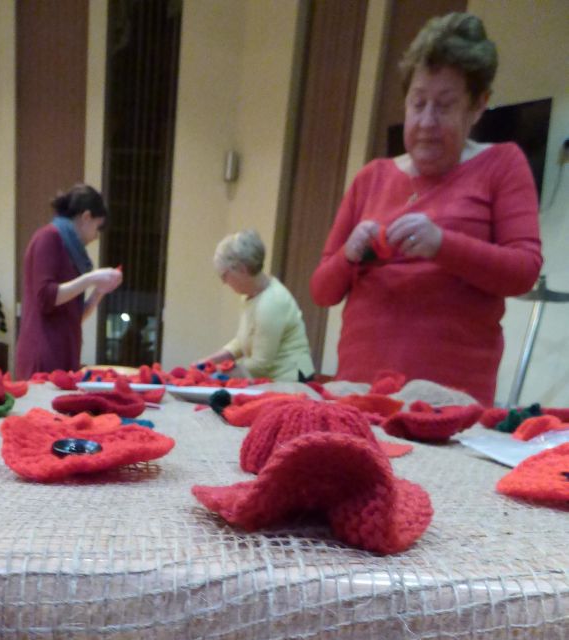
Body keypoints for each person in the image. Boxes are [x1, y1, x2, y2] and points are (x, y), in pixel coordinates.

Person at [310, 13, 541, 406]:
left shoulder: (502, 164)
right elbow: (321, 291)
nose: (427, 121)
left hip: (449, 402)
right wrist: (349, 254)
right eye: (418, 104)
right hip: (358, 393)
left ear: (478, 105)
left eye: (445, 106)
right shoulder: (371, 177)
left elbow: (523, 270)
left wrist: (442, 245)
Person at [15, 184, 122, 377]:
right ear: (86, 217)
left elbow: (75, 316)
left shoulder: (71, 250)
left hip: (63, 353)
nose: (96, 236)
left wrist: (99, 291)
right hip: (43, 354)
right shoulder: (48, 238)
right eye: (97, 227)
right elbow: (46, 297)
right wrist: (91, 277)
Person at [200, 230, 314, 381]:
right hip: (272, 379)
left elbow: (260, 365)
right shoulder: (250, 295)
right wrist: (208, 362)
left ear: (242, 269)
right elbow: (242, 341)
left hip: (292, 380)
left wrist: (215, 372)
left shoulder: (271, 303)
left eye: (224, 275)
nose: (224, 282)